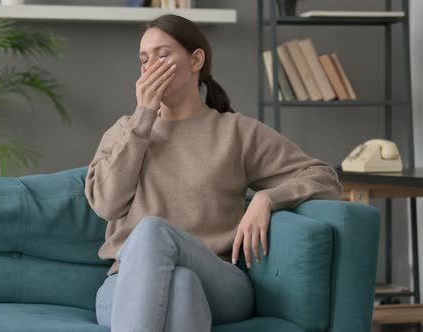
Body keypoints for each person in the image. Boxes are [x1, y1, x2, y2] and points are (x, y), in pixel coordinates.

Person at [84, 14, 342, 332]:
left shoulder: (236, 132)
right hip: (126, 282)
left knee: (153, 231)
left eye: (163, 55)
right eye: (144, 59)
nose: (151, 66)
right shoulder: (124, 132)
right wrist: (143, 120)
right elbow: (107, 204)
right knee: (180, 286)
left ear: (196, 60)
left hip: (219, 282)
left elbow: (323, 177)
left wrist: (267, 198)